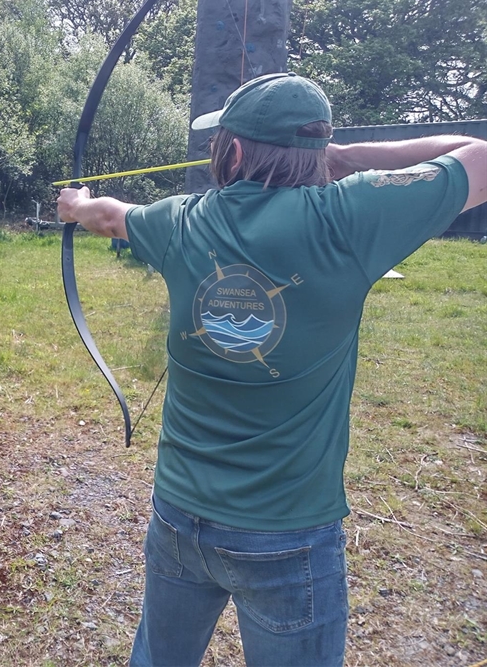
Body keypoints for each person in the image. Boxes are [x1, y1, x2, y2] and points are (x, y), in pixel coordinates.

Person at [56, 72, 487, 667]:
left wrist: (74, 205)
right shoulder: (350, 217)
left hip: (180, 513)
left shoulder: (181, 221)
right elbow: (481, 158)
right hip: (289, 533)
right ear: (316, 150)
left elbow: (107, 215)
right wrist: (339, 157)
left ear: (230, 151)